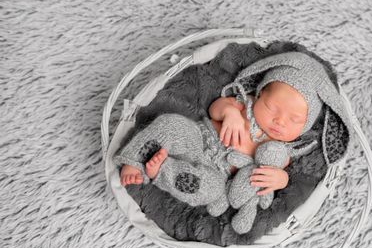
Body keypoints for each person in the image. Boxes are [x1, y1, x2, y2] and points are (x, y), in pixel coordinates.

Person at [114, 51, 336, 212]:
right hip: (200, 139)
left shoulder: (281, 150)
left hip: (217, 173)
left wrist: (281, 180)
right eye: (271, 108)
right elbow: (216, 108)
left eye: (294, 120)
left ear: (304, 128)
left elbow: (277, 176)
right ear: (258, 95)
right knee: (171, 124)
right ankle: (134, 159)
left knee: (210, 190)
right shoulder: (243, 104)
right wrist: (230, 114)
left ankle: (162, 171)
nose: (280, 121)